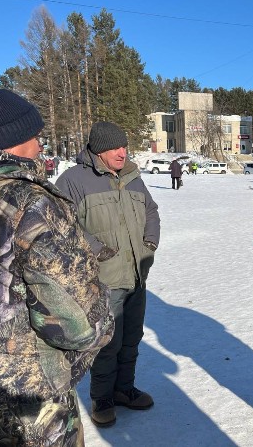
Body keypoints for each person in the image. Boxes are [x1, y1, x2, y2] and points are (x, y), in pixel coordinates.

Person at [0, 89, 114, 445]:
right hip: (25, 401)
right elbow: (76, 323)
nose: (40, 145)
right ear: (13, 140)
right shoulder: (29, 203)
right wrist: (102, 323)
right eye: (36, 136)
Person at [56, 121, 161, 428]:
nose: (122, 152)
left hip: (137, 274)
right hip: (102, 280)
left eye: (124, 146)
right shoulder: (73, 180)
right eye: (115, 148)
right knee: (106, 343)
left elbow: (151, 211)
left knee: (132, 337)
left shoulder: (132, 176)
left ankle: (124, 389)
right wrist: (96, 249)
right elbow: (63, 224)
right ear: (98, 150)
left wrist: (150, 242)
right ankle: (102, 398)